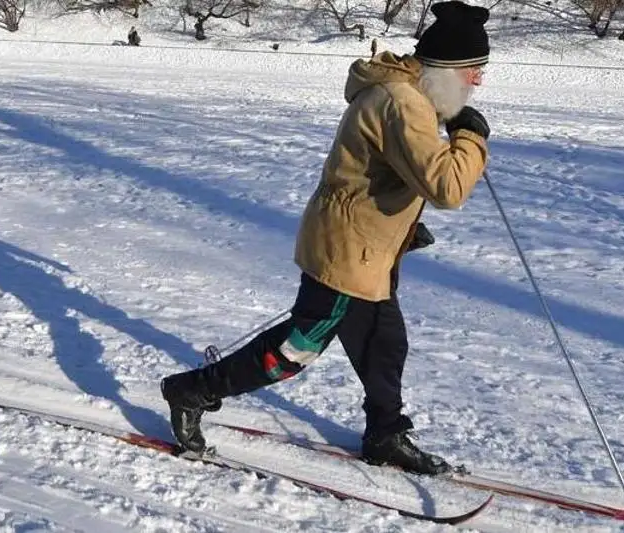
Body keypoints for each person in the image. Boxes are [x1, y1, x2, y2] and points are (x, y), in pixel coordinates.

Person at [161, 0, 491, 476]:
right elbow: (446, 186)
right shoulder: (404, 103)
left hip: (366, 249)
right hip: (346, 251)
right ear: (445, 69)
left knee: (384, 342)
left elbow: (380, 174)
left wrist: (401, 228)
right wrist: (472, 139)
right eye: (473, 71)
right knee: (299, 347)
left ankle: (385, 434)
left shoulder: (404, 94)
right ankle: (193, 391)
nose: (477, 82)